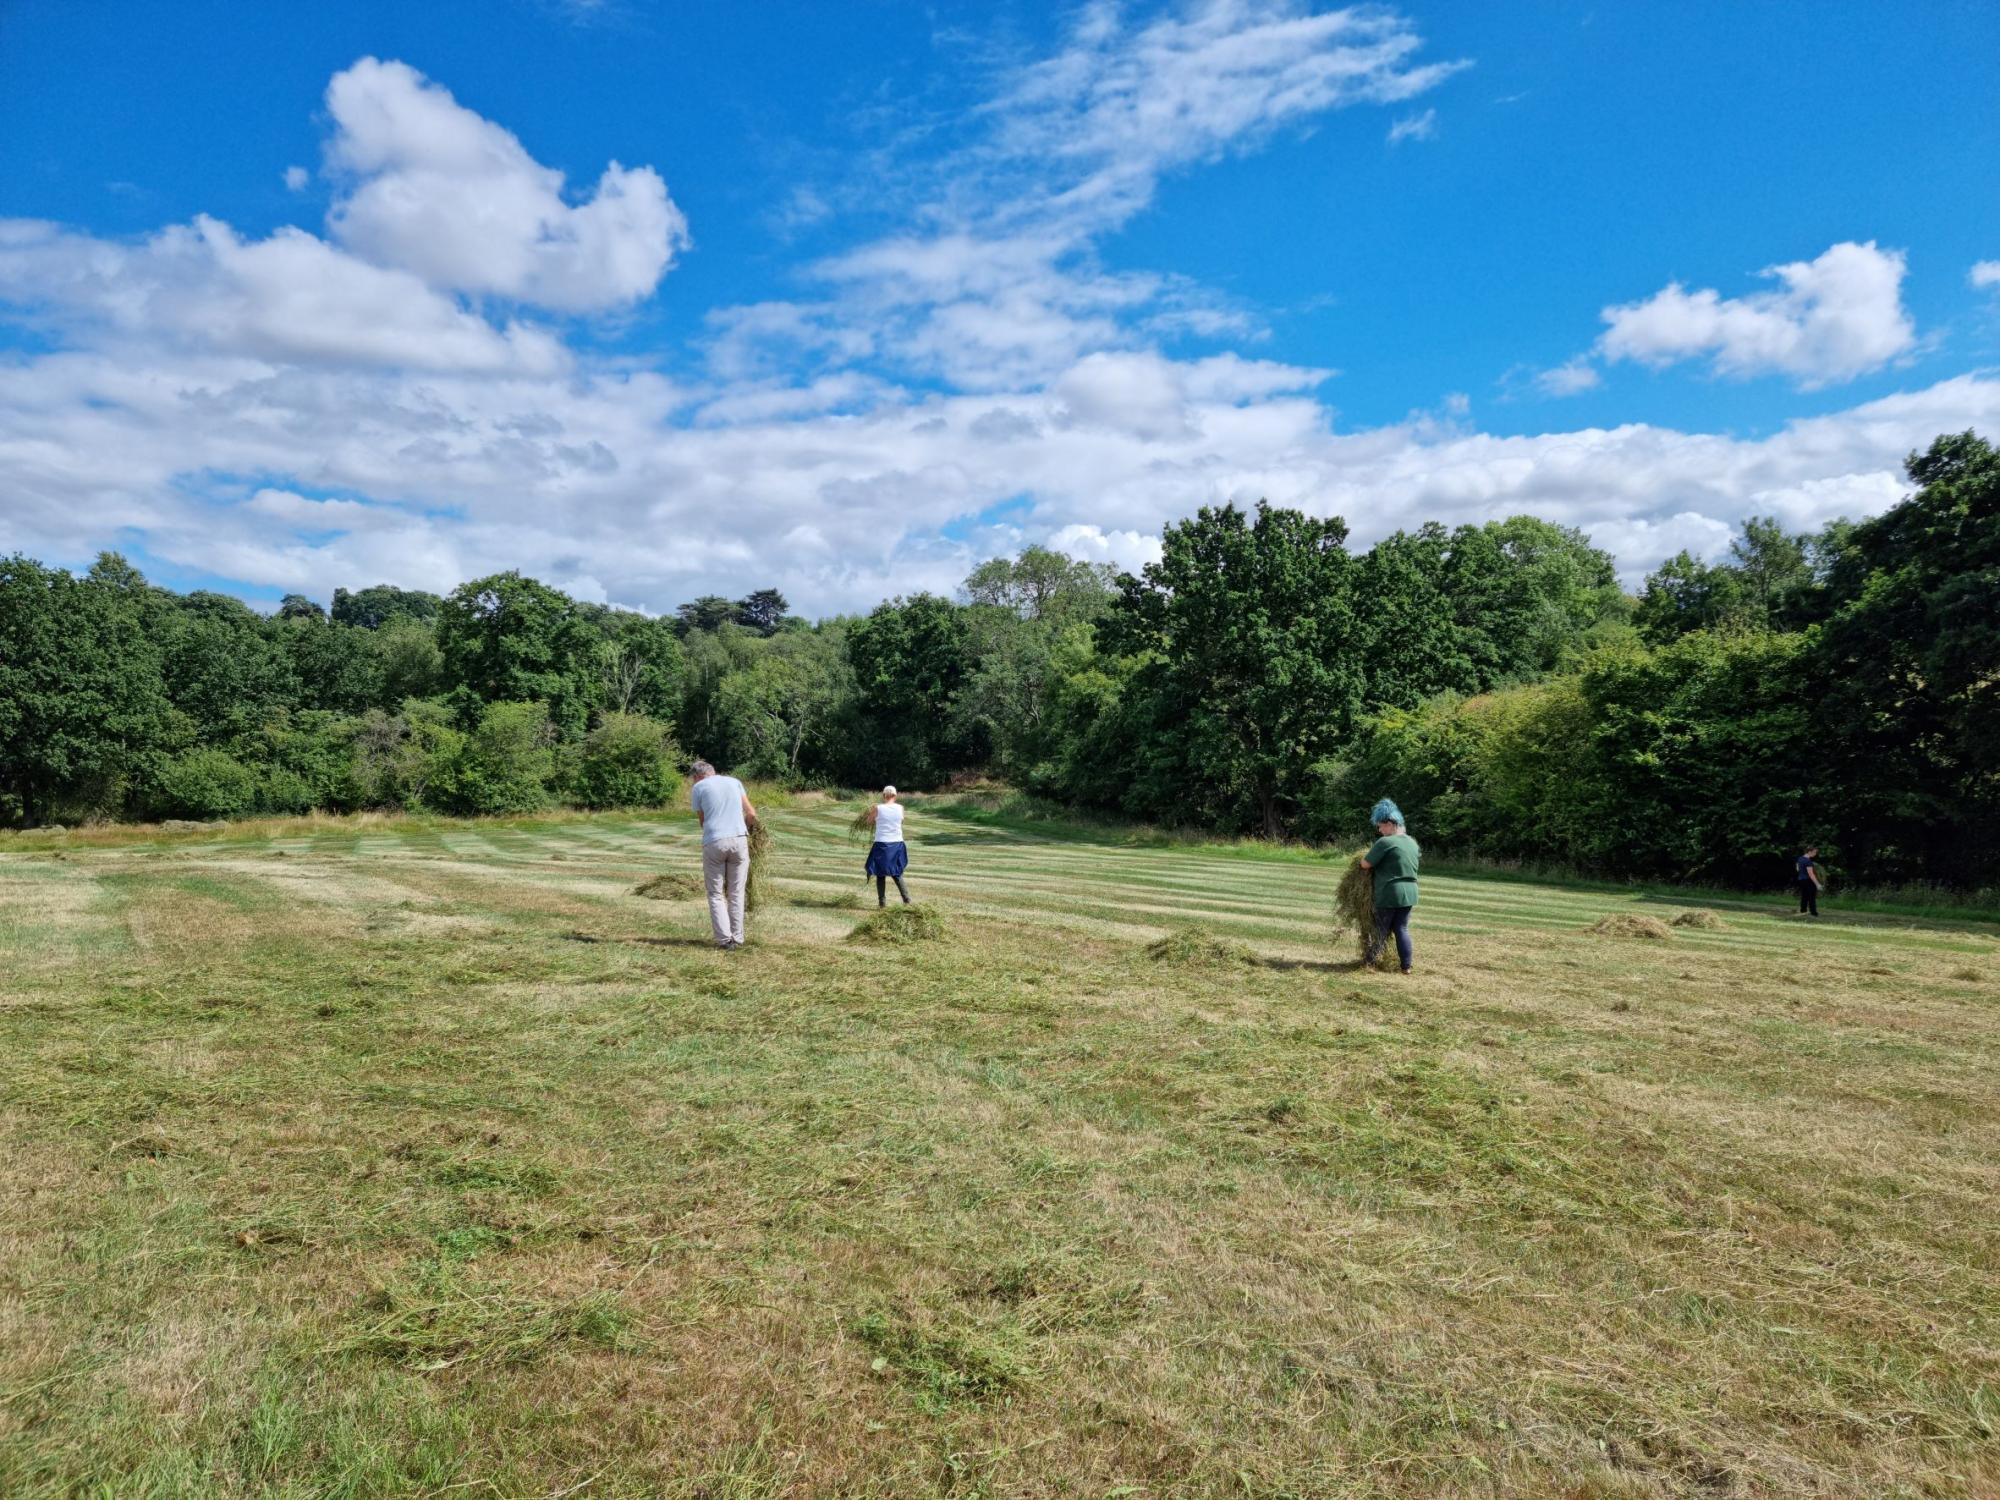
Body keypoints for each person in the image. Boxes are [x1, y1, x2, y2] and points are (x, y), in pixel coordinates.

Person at [689, 759, 759, 950]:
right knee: (736, 892)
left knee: (716, 893)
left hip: (715, 842)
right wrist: (747, 831)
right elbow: (752, 814)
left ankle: (725, 940)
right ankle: (737, 937)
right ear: (713, 771)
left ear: (697, 776)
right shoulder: (735, 782)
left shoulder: (698, 788)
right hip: (739, 840)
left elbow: (702, 821)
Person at [1358, 798, 1419, 974]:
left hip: (1389, 892)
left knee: (1381, 929)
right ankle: (1406, 967)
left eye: (1380, 825)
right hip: (1410, 892)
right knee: (1401, 928)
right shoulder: (1411, 842)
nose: (1379, 829)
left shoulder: (1385, 842)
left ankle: (1370, 963)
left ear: (1390, 823)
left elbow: (1365, 864)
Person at [862, 785, 912, 907]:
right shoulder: (900, 808)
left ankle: (882, 903)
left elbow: (868, 822)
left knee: (880, 874)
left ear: (884, 795)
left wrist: (870, 814)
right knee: (896, 873)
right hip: (897, 844)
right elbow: (901, 820)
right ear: (895, 795)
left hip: (882, 843)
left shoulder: (877, 808)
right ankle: (907, 900)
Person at [1795, 845, 1823, 918]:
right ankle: (1813, 913)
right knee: (1811, 897)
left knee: (1804, 896)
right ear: (1809, 852)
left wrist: (1802, 872)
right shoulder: (1808, 861)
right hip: (1808, 881)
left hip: (1801, 880)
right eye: (1814, 852)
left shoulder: (1800, 858)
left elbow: (1797, 869)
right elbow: (1811, 874)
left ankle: (1803, 910)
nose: (1815, 854)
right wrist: (1817, 884)